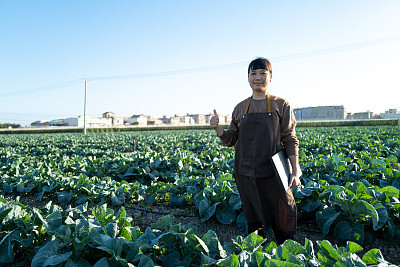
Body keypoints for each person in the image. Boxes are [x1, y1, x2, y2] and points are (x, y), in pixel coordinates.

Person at [210, 57, 300, 245]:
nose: (257, 77)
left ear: (271, 77)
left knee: (283, 211)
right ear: (248, 78)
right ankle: (257, 253)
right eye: (253, 73)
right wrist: (217, 128)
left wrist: (294, 170)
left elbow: (290, 139)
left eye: (262, 73)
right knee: (253, 215)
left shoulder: (280, 105)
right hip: (246, 172)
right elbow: (230, 140)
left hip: (273, 172)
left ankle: (286, 251)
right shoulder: (241, 107)